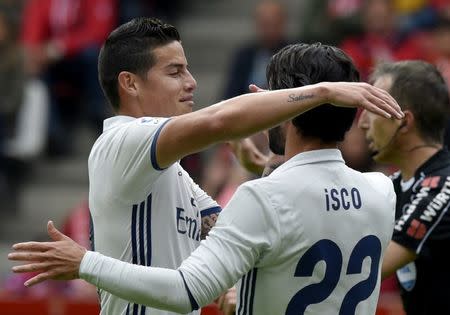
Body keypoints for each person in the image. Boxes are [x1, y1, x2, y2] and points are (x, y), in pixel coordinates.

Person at [9, 42, 402, 314]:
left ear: (289, 107)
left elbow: (186, 290)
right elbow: (299, 237)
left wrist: (85, 263)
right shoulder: (381, 191)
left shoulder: (262, 199)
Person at [357, 60, 450, 315]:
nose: (362, 123)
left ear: (405, 122)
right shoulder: (396, 185)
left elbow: (361, 273)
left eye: (372, 109)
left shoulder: (442, 188)